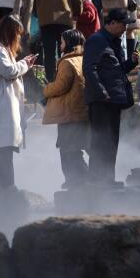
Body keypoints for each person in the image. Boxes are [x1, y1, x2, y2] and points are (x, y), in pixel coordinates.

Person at [83, 8, 139, 187]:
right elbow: (89, 69)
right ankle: (96, 182)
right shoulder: (96, 40)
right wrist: (102, 93)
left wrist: (131, 63)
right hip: (101, 101)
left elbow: (118, 70)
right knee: (100, 142)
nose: (125, 28)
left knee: (112, 142)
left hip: (114, 100)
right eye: (123, 24)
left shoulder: (115, 41)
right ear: (112, 23)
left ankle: (107, 179)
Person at [0, 15, 38, 190]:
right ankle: (3, 186)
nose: (19, 38)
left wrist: (23, 63)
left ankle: (4, 185)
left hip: (5, 106)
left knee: (5, 148)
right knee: (1, 148)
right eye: (17, 34)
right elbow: (9, 71)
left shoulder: (3, 50)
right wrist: (25, 64)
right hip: (0, 107)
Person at [42, 29, 89, 188]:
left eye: (62, 41)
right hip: (80, 111)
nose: (59, 44)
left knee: (68, 149)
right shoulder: (83, 59)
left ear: (68, 43)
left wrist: (47, 89)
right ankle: (83, 180)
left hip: (68, 113)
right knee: (76, 148)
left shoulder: (67, 62)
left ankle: (75, 181)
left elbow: (61, 86)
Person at [34, 0, 83, 81]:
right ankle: (68, 78)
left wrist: (38, 14)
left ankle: (51, 81)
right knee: (67, 51)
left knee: (49, 54)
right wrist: (77, 13)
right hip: (65, 22)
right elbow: (77, 2)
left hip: (46, 23)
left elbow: (33, 4)